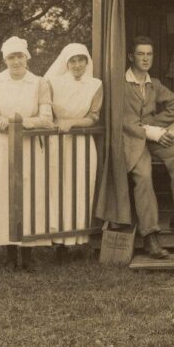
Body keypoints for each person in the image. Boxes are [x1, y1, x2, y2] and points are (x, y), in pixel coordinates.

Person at [0, 36, 54, 271]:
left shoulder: (39, 83)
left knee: (29, 196)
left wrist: (21, 124)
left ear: (27, 57)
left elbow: (46, 119)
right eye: (11, 57)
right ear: (4, 59)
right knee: (2, 197)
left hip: (28, 147)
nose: (16, 62)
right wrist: (8, 125)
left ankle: (28, 254)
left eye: (20, 56)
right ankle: (8, 252)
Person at [123, 35, 174, 260]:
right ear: (131, 57)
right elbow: (123, 121)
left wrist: (156, 124)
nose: (146, 59)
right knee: (144, 177)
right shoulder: (121, 84)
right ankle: (150, 236)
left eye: (149, 54)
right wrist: (151, 132)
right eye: (140, 54)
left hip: (151, 136)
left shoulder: (153, 83)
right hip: (131, 140)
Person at [43, 42, 103, 253]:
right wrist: (57, 123)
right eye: (73, 61)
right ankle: (58, 241)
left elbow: (93, 117)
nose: (78, 65)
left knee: (80, 187)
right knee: (57, 188)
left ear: (87, 61)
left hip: (82, 143)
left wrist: (72, 122)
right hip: (57, 141)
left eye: (81, 60)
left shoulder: (95, 84)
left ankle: (76, 238)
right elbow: (46, 111)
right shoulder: (52, 82)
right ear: (66, 63)